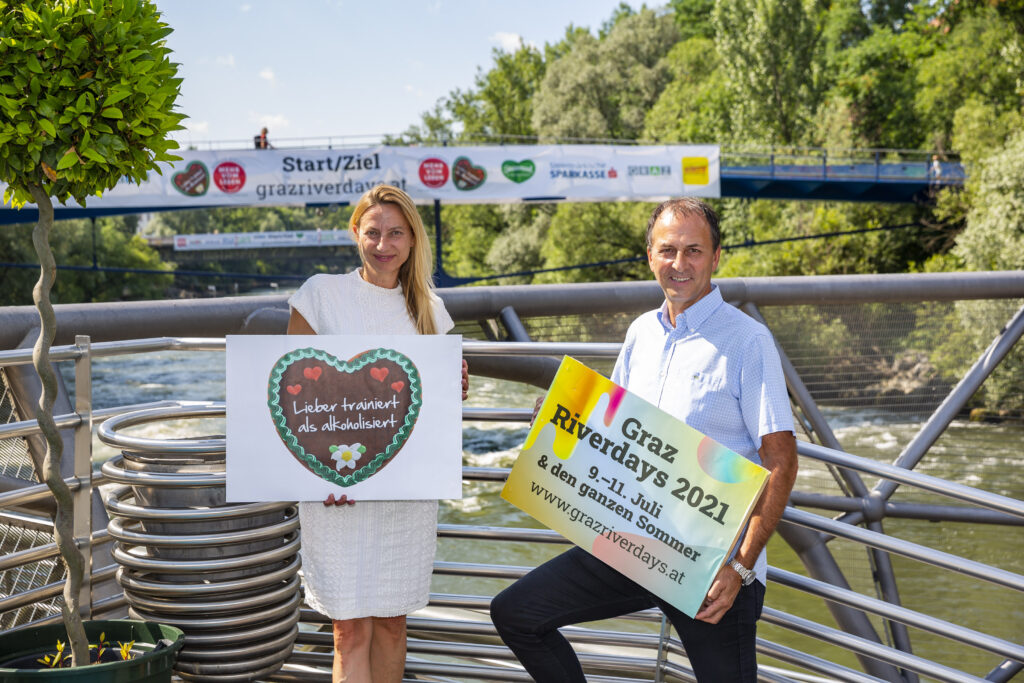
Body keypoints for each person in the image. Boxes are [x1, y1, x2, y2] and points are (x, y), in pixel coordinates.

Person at [490, 197, 798, 682]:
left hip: (711, 569)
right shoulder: (640, 334)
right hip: (634, 547)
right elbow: (617, 435)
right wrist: (555, 422)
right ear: (649, 255)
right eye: (668, 250)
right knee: (516, 614)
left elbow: (781, 462)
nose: (680, 264)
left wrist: (739, 570)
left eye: (694, 251)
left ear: (716, 257)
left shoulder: (748, 340)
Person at [287, 184, 469, 683]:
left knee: (391, 623)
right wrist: (323, 477)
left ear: (412, 239)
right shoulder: (321, 294)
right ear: (355, 234)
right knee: (349, 631)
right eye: (373, 233)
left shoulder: (430, 309)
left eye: (395, 233)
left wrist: (454, 382)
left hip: (404, 493)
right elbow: (292, 389)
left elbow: (432, 402)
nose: (383, 244)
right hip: (334, 485)